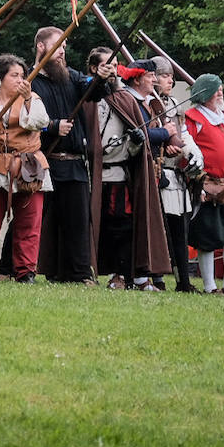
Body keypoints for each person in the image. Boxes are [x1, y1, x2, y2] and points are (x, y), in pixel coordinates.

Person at [86, 54, 172, 290]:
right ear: (95, 68)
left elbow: (134, 149)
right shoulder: (88, 99)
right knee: (100, 228)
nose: (112, 71)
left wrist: (136, 141)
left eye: (114, 66)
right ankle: (105, 274)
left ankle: (124, 275)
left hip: (119, 177)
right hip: (92, 175)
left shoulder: (125, 99)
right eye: (107, 66)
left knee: (123, 227)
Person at [0, 54, 50, 281]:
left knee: (29, 225)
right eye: (14, 75)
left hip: (29, 167)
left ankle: (25, 273)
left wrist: (26, 100)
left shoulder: (33, 99)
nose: (20, 79)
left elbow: (39, 123)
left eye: (22, 76)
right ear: (0, 78)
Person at [32, 27, 104, 284]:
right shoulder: (29, 81)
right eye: (58, 45)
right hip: (44, 161)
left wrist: (100, 79)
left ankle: (79, 273)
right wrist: (51, 126)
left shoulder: (71, 76)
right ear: (42, 47)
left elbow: (92, 90)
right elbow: (25, 119)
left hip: (73, 164)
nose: (63, 51)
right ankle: (16, 269)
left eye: (64, 46)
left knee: (77, 223)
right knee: (34, 220)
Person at [184, 74, 224, 295]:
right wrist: (198, 183)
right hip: (209, 185)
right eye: (216, 90)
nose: (221, 93)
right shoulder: (193, 118)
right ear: (206, 94)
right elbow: (187, 155)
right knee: (208, 237)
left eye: (221, 89)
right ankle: (210, 286)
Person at [153, 57, 203, 292]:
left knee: (179, 231)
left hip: (176, 174)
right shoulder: (146, 103)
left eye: (171, 76)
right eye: (164, 75)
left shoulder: (173, 103)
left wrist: (192, 153)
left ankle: (183, 280)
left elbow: (183, 134)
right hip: (156, 172)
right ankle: (157, 278)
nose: (170, 79)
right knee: (158, 230)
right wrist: (164, 143)